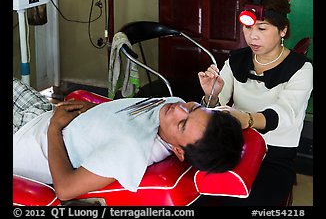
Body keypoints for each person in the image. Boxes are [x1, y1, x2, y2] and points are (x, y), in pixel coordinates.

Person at [13, 72, 244, 202]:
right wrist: (90, 109)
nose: (179, 109)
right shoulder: (174, 110)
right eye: (193, 109)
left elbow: (65, 188)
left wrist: (55, 128)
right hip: (42, 112)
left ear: (178, 151)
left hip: (26, 140)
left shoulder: (130, 149)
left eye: (182, 123)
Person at [198, 0, 313, 205]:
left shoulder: (302, 69)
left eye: (262, 28)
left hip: (274, 156)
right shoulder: (236, 60)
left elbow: (284, 114)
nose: (253, 36)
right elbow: (216, 106)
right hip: (234, 146)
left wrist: (247, 120)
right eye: (247, 27)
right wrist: (211, 95)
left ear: (282, 30)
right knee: (202, 195)